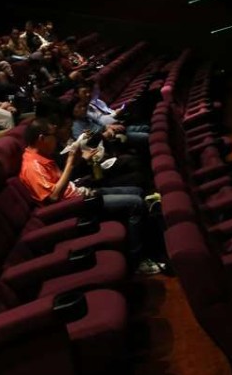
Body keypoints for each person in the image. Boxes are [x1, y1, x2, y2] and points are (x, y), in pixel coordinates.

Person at [19, 118, 160, 275]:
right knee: (135, 203)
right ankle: (138, 262)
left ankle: (152, 246)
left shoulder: (42, 156)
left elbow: (63, 183)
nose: (57, 139)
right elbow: (53, 197)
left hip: (80, 193)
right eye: (53, 135)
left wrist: (77, 160)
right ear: (41, 138)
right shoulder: (32, 166)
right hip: (76, 206)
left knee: (137, 192)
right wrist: (70, 164)